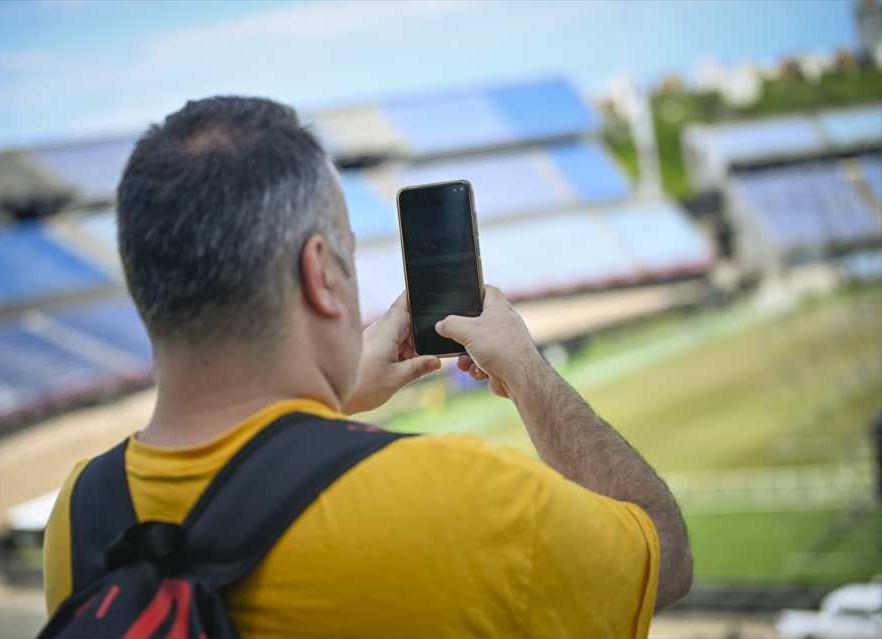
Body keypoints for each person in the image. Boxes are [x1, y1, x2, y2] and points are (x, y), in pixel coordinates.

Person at [43, 96, 692, 638]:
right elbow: (663, 554)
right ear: (321, 272)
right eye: (348, 258)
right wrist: (528, 371)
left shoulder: (81, 513)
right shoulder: (468, 495)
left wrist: (328, 401)